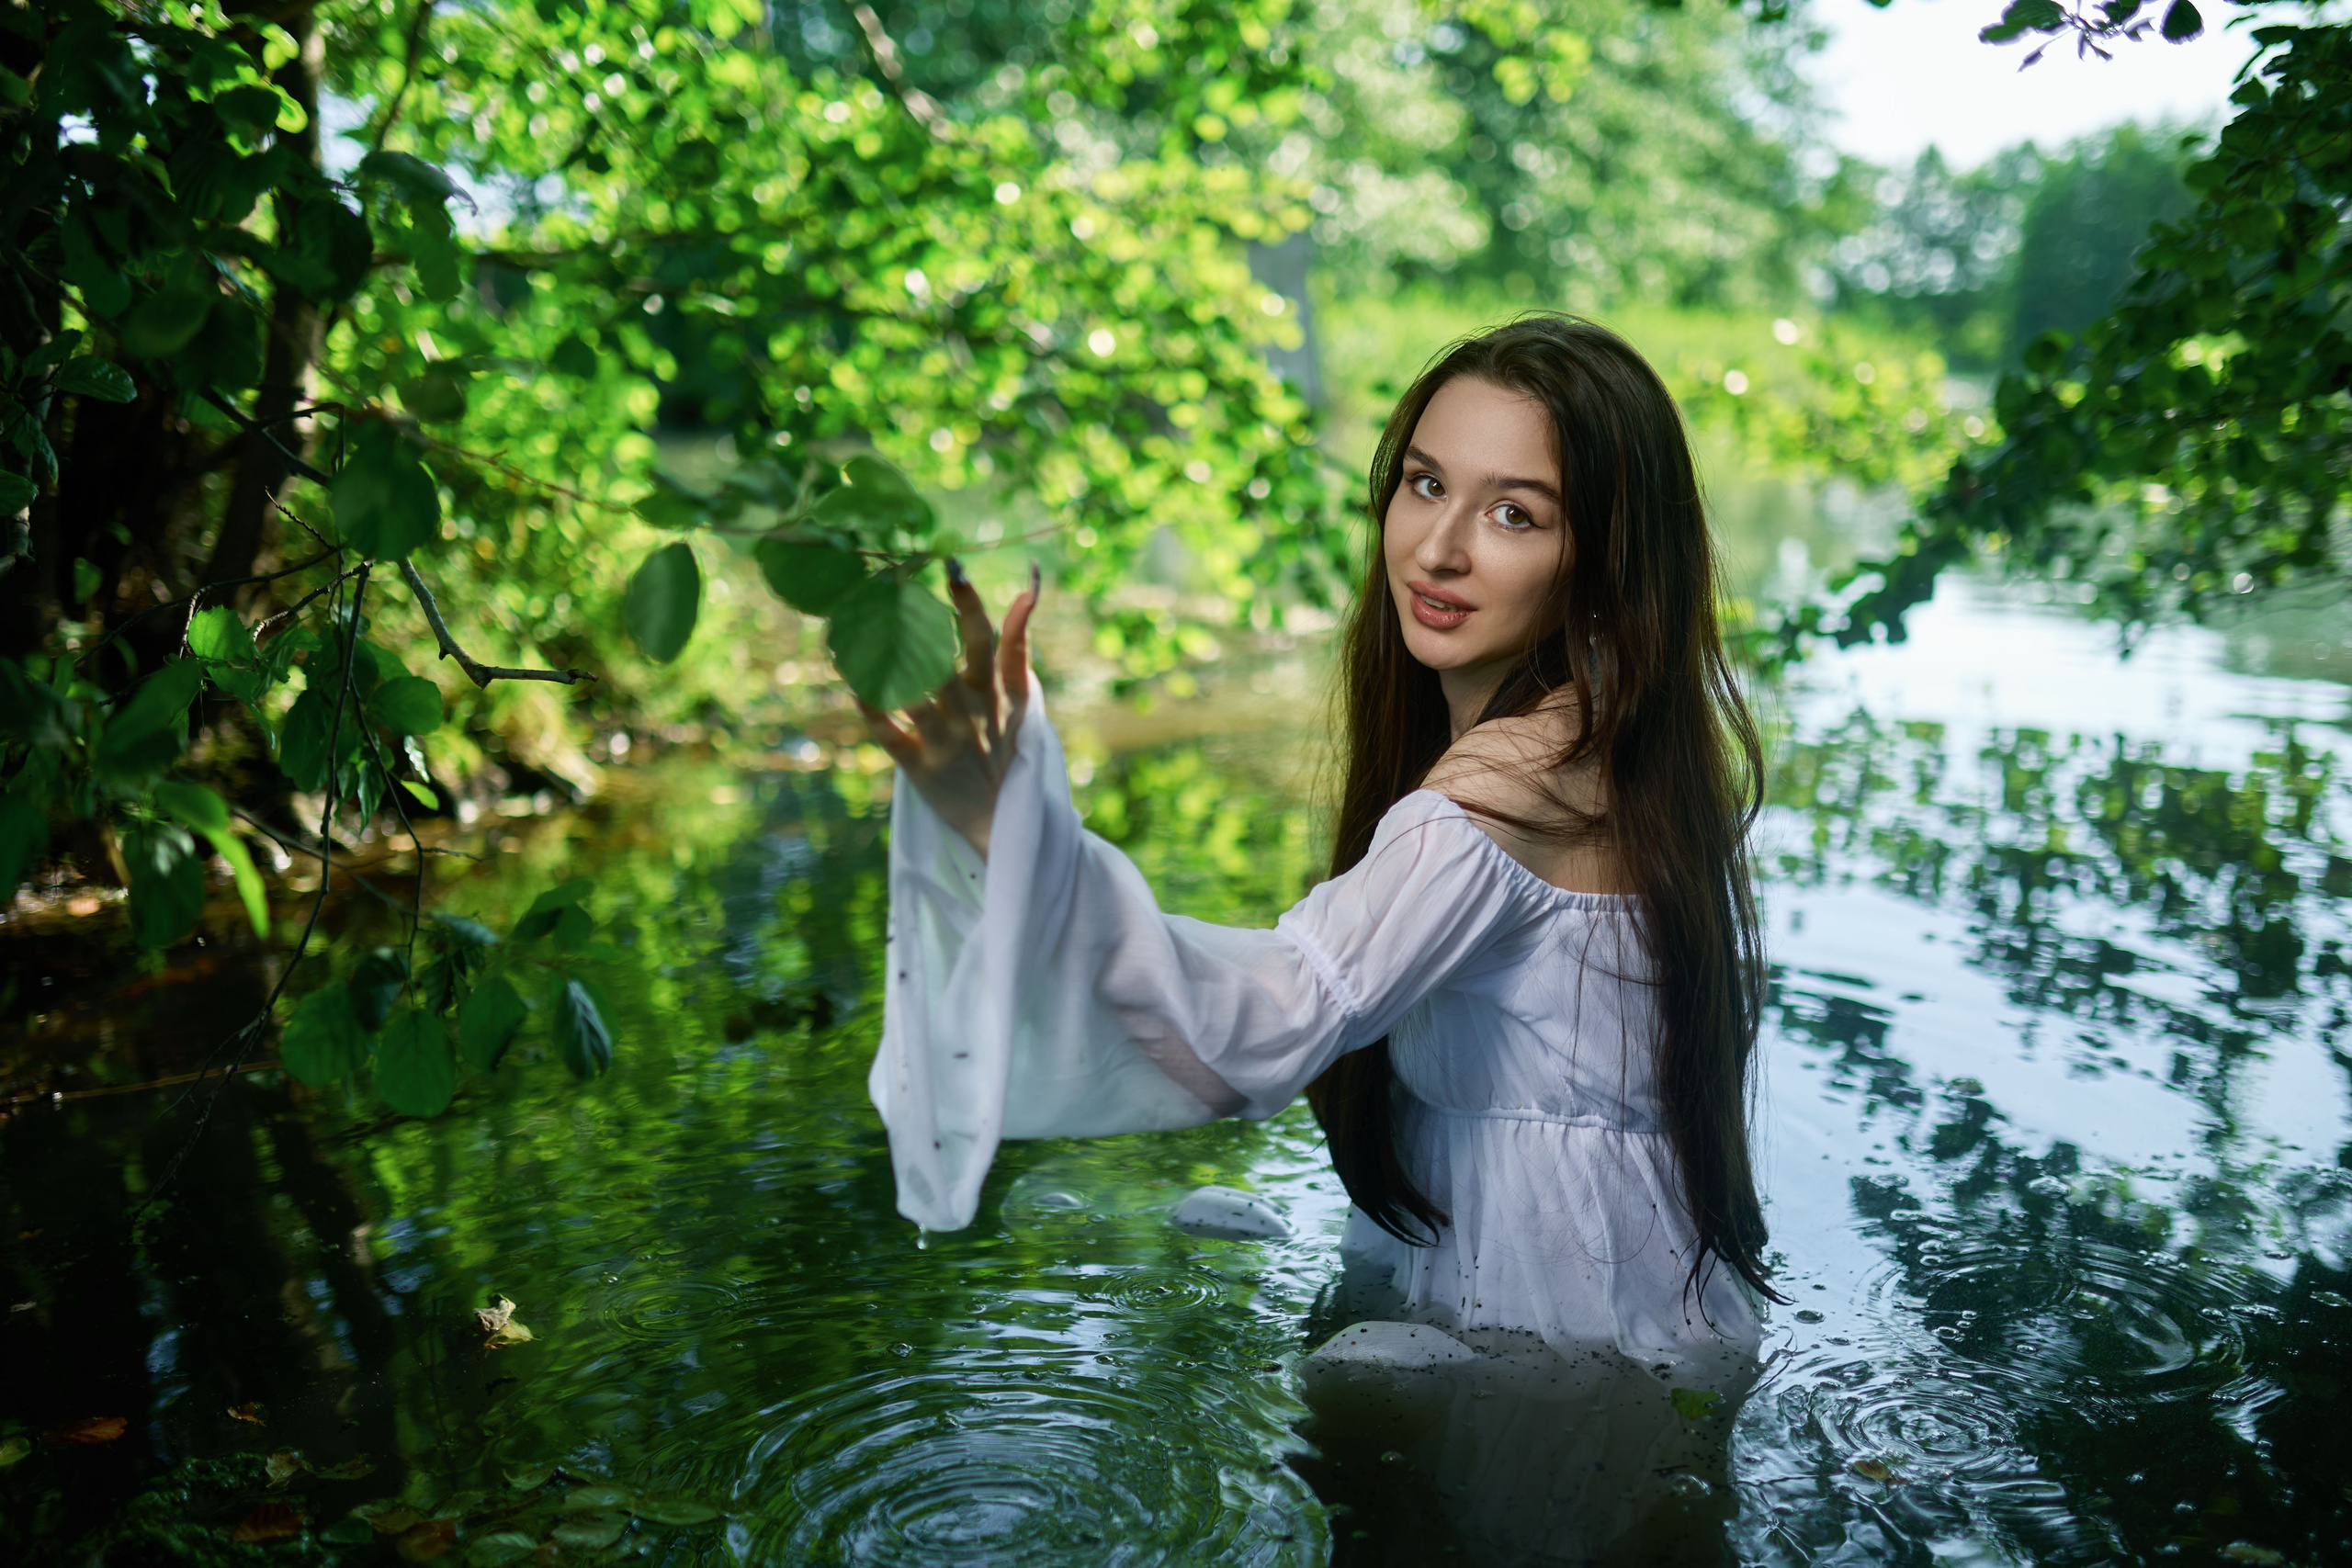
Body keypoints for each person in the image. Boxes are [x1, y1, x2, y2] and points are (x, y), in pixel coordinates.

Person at [857, 313, 1779, 1374]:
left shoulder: (1506, 790)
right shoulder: (1625, 739)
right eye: (1426, 484)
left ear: (1603, 561)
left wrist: (1010, 827)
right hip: (1640, 1299)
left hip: (1550, 1327)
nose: (1437, 548)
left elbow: (1269, 1021)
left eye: (1514, 513)